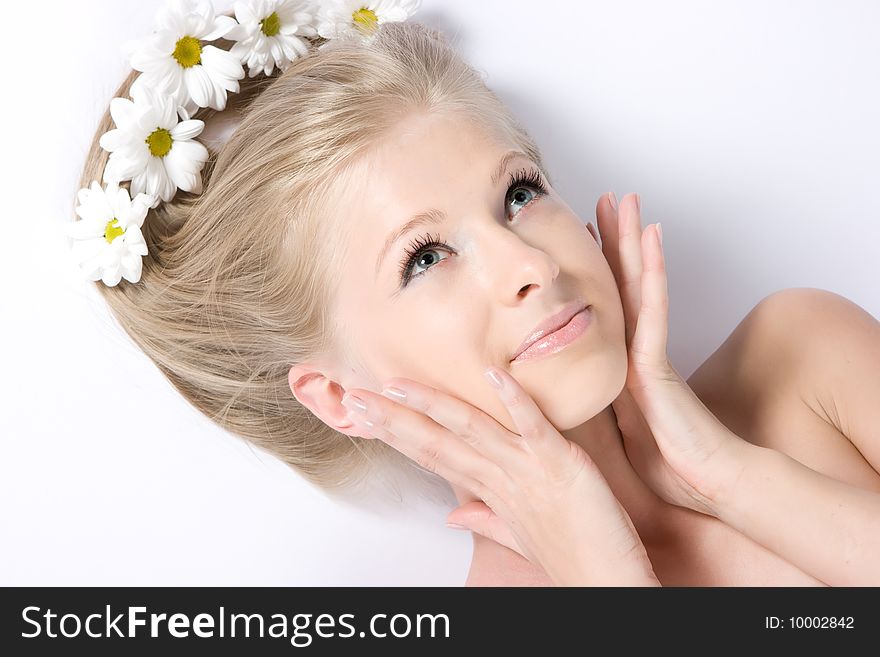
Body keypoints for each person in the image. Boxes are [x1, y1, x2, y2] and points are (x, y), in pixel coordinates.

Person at [74, 12, 880, 586]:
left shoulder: (804, 355)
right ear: (340, 396)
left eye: (520, 194)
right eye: (425, 257)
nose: (527, 262)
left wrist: (730, 479)